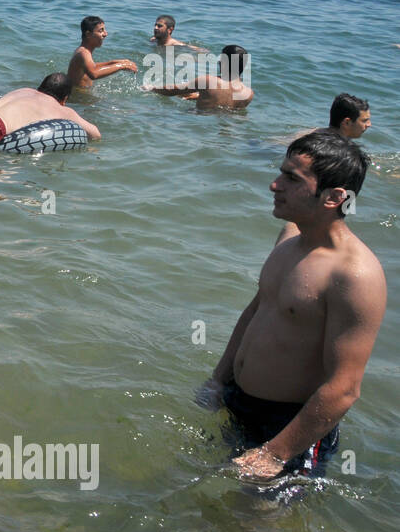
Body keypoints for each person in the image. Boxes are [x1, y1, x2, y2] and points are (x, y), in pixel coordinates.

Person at [204, 132, 385, 480]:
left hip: (289, 426)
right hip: (239, 400)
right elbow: (256, 310)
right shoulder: (289, 238)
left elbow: (344, 387)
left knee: (261, 526)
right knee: (216, 511)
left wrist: (274, 453)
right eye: (281, 172)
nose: (274, 185)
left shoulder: (355, 275)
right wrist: (218, 379)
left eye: (291, 178)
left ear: (334, 197)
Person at [145, 44, 252, 108]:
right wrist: (200, 96)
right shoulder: (248, 93)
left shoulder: (208, 81)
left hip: (197, 122)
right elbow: (223, 105)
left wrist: (151, 88)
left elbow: (173, 90)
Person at [68, 16, 138, 89]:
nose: (106, 34)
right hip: (79, 97)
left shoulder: (83, 51)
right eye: (101, 31)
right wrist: (122, 66)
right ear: (88, 34)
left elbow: (92, 67)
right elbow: (94, 74)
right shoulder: (83, 53)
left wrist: (117, 62)